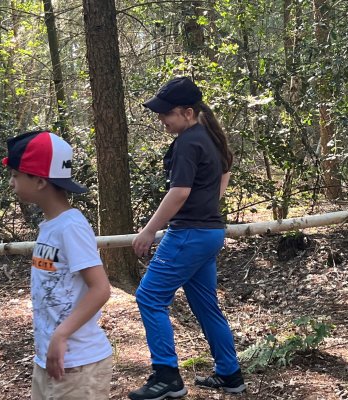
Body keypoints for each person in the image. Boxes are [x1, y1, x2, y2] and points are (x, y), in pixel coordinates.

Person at [128, 77, 243, 400]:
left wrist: (149, 230)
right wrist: (209, 206)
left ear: (188, 112)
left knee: (149, 297)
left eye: (167, 114)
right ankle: (230, 373)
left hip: (189, 233)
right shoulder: (208, 137)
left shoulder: (188, 142)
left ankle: (167, 377)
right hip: (209, 231)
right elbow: (224, 172)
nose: (162, 119)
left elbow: (179, 192)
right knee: (206, 305)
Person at [4, 130, 113, 399]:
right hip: (50, 361)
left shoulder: (71, 226)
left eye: (16, 175)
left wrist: (61, 335)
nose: (11, 182)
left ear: (40, 181)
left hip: (79, 365)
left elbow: (101, 288)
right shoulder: (50, 226)